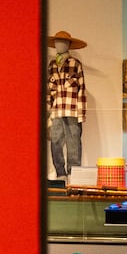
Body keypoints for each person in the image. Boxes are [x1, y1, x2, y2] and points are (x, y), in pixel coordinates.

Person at [47, 30, 87, 180]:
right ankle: (61, 174)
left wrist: (81, 114)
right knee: (55, 142)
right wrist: (48, 113)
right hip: (56, 111)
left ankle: (73, 174)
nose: (59, 45)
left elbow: (81, 90)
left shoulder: (75, 64)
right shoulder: (51, 66)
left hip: (72, 110)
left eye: (63, 42)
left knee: (74, 143)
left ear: (69, 45)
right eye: (57, 42)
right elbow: (48, 91)